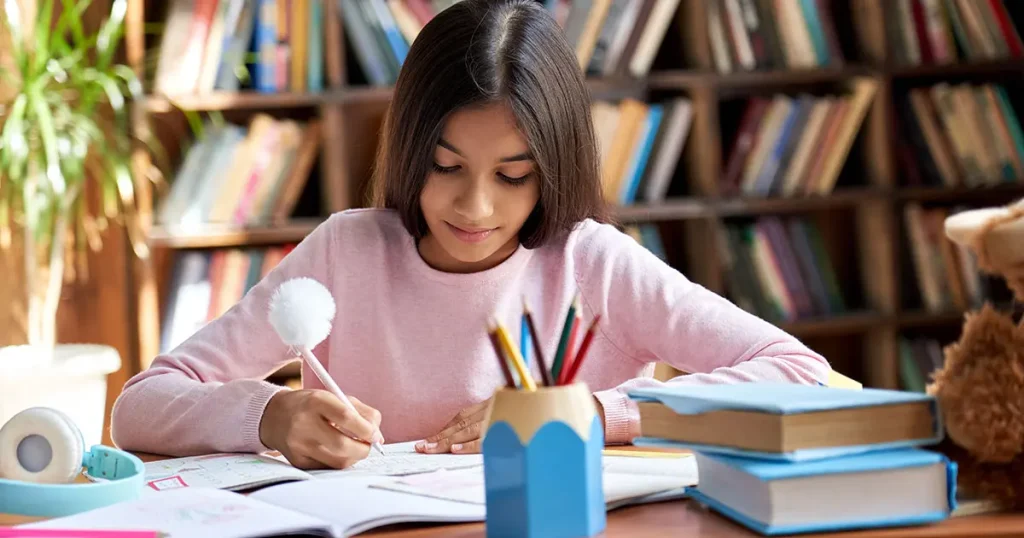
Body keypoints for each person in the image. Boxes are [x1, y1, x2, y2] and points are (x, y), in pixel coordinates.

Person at [110, 0, 830, 469]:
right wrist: (269, 414)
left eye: (514, 176)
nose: (475, 206)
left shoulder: (590, 263)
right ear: (409, 147)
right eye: (445, 166)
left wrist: (579, 409)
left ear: (552, 169)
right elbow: (140, 406)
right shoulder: (346, 252)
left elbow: (798, 372)